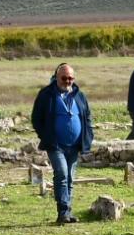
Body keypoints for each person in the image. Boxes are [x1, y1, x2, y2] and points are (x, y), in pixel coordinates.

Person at [30, 62, 92, 224]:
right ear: (56, 77)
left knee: (70, 178)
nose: (67, 81)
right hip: (56, 144)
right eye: (64, 78)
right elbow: (36, 118)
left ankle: (67, 211)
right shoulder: (46, 94)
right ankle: (62, 211)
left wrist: (88, 136)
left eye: (70, 78)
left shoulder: (79, 95)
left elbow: (87, 117)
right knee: (62, 174)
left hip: (75, 144)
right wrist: (45, 135)